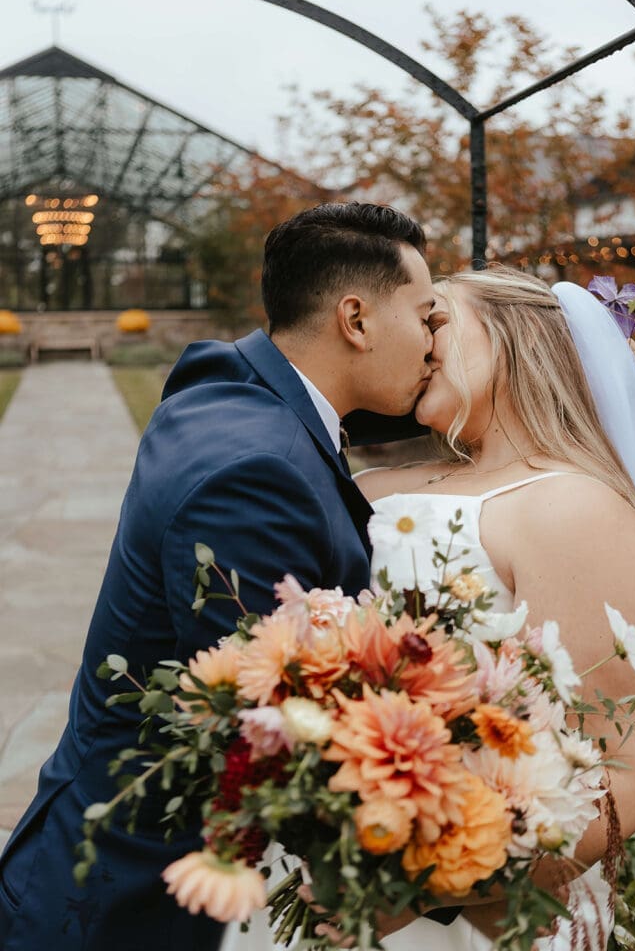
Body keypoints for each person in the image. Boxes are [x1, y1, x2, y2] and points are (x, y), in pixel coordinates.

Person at [0, 203, 436, 951]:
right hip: (135, 904)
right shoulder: (256, 475)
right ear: (355, 320)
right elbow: (264, 739)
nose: (434, 346)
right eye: (427, 319)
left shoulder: (234, 393)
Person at [352, 266, 635, 951]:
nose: (421, 342)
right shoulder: (382, 475)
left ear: (518, 333)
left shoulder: (570, 507)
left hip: (470, 914)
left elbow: (610, 773)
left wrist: (411, 890)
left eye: (436, 319)